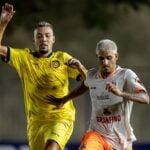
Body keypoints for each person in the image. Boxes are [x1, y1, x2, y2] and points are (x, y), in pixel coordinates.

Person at [0, 3, 87, 150]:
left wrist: (80, 67)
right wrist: (2, 23)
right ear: (34, 40)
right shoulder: (23, 58)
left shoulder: (63, 58)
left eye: (47, 36)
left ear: (53, 39)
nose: (43, 39)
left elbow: (89, 81)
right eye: (39, 36)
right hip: (36, 123)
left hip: (61, 118)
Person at [48, 39, 150, 150]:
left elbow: (145, 98)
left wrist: (121, 93)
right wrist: (64, 99)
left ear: (116, 56)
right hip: (97, 135)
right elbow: (85, 85)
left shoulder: (126, 75)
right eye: (101, 58)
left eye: (109, 58)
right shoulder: (92, 75)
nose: (105, 62)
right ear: (97, 57)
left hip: (121, 141)